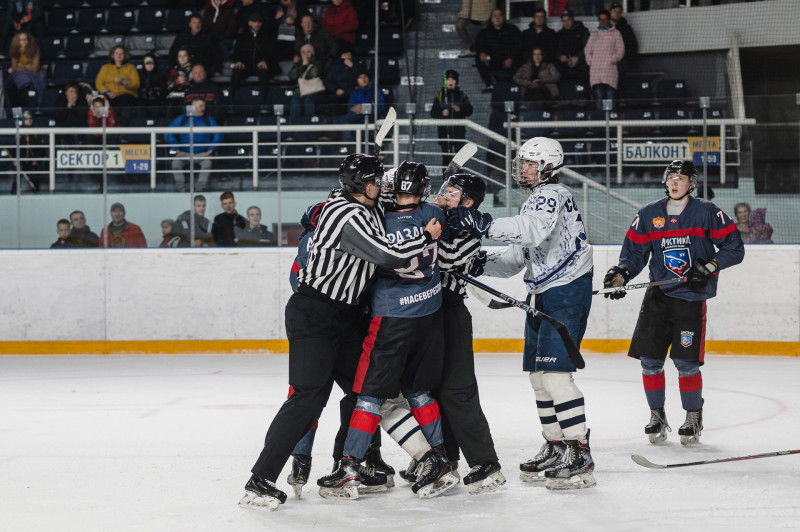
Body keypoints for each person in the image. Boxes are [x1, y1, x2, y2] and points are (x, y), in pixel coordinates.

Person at [239, 153, 442, 510]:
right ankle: (260, 479)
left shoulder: (363, 203)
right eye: (377, 182)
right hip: (314, 315)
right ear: (365, 187)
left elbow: (391, 198)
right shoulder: (345, 215)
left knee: (371, 393)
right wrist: (426, 235)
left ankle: (376, 462)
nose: (383, 188)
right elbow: (390, 255)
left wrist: (432, 201)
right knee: (307, 397)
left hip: (346, 318)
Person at [447, 137, 596, 490]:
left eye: (531, 163)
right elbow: (517, 257)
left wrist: (478, 222)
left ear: (548, 166)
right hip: (543, 291)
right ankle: (556, 444)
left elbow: (528, 230)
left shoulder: (552, 194)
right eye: (523, 162)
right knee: (538, 377)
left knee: (556, 376)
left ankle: (580, 450)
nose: (524, 168)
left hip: (565, 290)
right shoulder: (536, 199)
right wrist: (477, 261)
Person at [314, 160, 458, 500]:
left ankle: (349, 465)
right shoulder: (433, 215)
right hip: (430, 315)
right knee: (418, 390)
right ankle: (439, 460)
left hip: (391, 319)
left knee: (369, 396)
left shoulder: (378, 216)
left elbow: (378, 242)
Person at [604, 160, 745, 446]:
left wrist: (710, 266)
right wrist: (621, 274)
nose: (675, 183)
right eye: (671, 177)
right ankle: (656, 415)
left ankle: (693, 416)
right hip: (657, 298)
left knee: (686, 363)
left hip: (690, 299)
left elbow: (734, 247)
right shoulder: (648, 214)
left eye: (681, 178)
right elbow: (633, 254)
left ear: (692, 184)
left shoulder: (706, 212)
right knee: (650, 361)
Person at [430, 172, 506, 494]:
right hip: (427, 313)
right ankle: (446, 458)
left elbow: (445, 259)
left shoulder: (469, 234)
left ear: (469, 202)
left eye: (453, 191)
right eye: (445, 188)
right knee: (431, 390)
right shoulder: (436, 217)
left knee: (457, 391)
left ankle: (486, 462)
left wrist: (429, 231)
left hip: (451, 314)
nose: (445, 193)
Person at [165, 97, 222, 193]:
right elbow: (168, 133)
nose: (204, 108)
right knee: (176, 163)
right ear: (193, 106)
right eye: (201, 106)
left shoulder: (208, 119)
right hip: (185, 153)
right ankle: (182, 189)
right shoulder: (182, 119)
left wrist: (211, 149)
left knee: (207, 163)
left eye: (204, 106)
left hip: (202, 154)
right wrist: (176, 149)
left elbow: (219, 133)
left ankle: (200, 189)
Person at [429, 69, 473, 167]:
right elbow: (433, 112)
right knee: (446, 160)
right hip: (444, 133)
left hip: (459, 133)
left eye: (453, 80)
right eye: (448, 79)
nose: (450, 82)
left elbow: (470, 110)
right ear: (445, 81)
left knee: (459, 160)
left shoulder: (462, 95)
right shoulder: (440, 95)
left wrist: (460, 109)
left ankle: (458, 180)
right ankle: (446, 181)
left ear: (456, 81)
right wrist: (442, 113)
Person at [584, 9, 625, 110]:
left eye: (605, 20)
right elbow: (587, 50)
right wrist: (590, 61)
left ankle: (611, 121)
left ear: (609, 20)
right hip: (596, 71)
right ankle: (601, 121)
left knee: (610, 96)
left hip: (609, 70)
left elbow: (621, 49)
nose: (603, 22)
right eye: (600, 20)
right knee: (599, 97)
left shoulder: (616, 33)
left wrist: (612, 59)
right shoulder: (594, 35)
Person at [473, 8, 522, 93]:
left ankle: (514, 85)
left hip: (509, 61)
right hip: (493, 61)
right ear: (491, 18)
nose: (497, 18)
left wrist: (511, 58)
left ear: (503, 17)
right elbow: (478, 45)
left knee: (521, 57)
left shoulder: (512, 29)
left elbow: (519, 45)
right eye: (495, 16)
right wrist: (482, 52)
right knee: (478, 58)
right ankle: (490, 85)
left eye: (500, 15)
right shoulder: (484, 32)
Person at [230, 11, 276, 94]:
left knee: (264, 71)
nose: (257, 24)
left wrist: (265, 61)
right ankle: (234, 100)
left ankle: (264, 101)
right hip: (246, 66)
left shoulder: (267, 38)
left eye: (259, 22)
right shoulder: (242, 37)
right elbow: (236, 52)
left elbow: (272, 53)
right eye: (255, 21)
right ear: (249, 23)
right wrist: (238, 61)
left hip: (260, 66)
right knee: (236, 70)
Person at [95, 45, 140, 126]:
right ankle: (103, 126)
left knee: (125, 100)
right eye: (117, 53)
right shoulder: (105, 68)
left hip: (126, 95)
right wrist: (107, 92)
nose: (119, 55)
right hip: (110, 94)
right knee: (102, 101)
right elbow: (99, 83)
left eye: (121, 53)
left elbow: (136, 84)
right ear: (113, 55)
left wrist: (124, 82)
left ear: (125, 55)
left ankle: (125, 128)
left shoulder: (131, 67)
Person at [169, 13, 221, 78]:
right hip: (185, 68)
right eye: (194, 23)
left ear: (201, 24)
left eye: (199, 23)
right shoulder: (182, 36)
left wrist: (217, 70)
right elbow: (172, 52)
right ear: (190, 24)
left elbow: (216, 55)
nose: (197, 25)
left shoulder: (209, 37)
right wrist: (172, 68)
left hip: (203, 68)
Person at [7, 31, 44, 107]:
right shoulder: (15, 50)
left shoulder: (35, 49)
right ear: (18, 41)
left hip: (34, 74)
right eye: (22, 39)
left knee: (30, 78)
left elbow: (35, 67)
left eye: (26, 39)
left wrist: (22, 65)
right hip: (19, 74)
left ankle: (35, 103)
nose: (24, 41)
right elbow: (14, 68)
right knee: (13, 80)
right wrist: (28, 65)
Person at [288, 43, 324, 119]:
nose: (305, 54)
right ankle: (294, 126)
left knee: (309, 101)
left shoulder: (317, 63)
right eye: (303, 52)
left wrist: (307, 64)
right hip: (300, 91)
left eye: (308, 51)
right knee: (295, 101)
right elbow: (291, 76)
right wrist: (301, 65)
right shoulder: (298, 64)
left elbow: (315, 73)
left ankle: (309, 124)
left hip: (313, 91)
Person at [608, 2, 638, 93]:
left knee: (618, 72)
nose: (617, 13)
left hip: (622, 60)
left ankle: (619, 97)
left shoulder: (626, 28)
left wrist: (624, 57)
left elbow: (633, 46)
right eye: (614, 11)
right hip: (607, 60)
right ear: (610, 12)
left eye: (619, 12)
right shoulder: (604, 28)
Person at [554, 9, 589, 84]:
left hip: (580, 60)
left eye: (568, 20)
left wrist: (578, 57)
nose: (566, 23)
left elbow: (587, 48)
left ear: (573, 19)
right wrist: (560, 56)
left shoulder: (583, 31)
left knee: (584, 68)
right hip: (565, 61)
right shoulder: (559, 34)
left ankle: (585, 93)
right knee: (557, 68)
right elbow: (555, 50)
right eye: (564, 21)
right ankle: (561, 94)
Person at [323, 44, 359, 115]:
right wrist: (335, 89)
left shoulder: (356, 65)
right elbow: (327, 80)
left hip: (353, 94)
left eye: (349, 55)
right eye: (345, 55)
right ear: (341, 56)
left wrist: (352, 66)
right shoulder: (333, 66)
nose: (347, 57)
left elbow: (362, 77)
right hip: (336, 95)